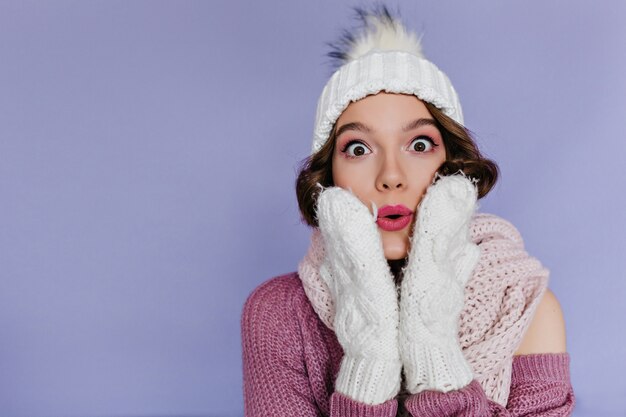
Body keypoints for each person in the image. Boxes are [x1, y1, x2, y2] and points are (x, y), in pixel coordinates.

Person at [241, 5, 575, 416]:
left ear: (453, 167)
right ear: (328, 179)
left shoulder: (525, 308)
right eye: (358, 149)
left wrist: (432, 342)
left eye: (419, 145)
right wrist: (370, 357)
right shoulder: (278, 314)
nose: (392, 176)